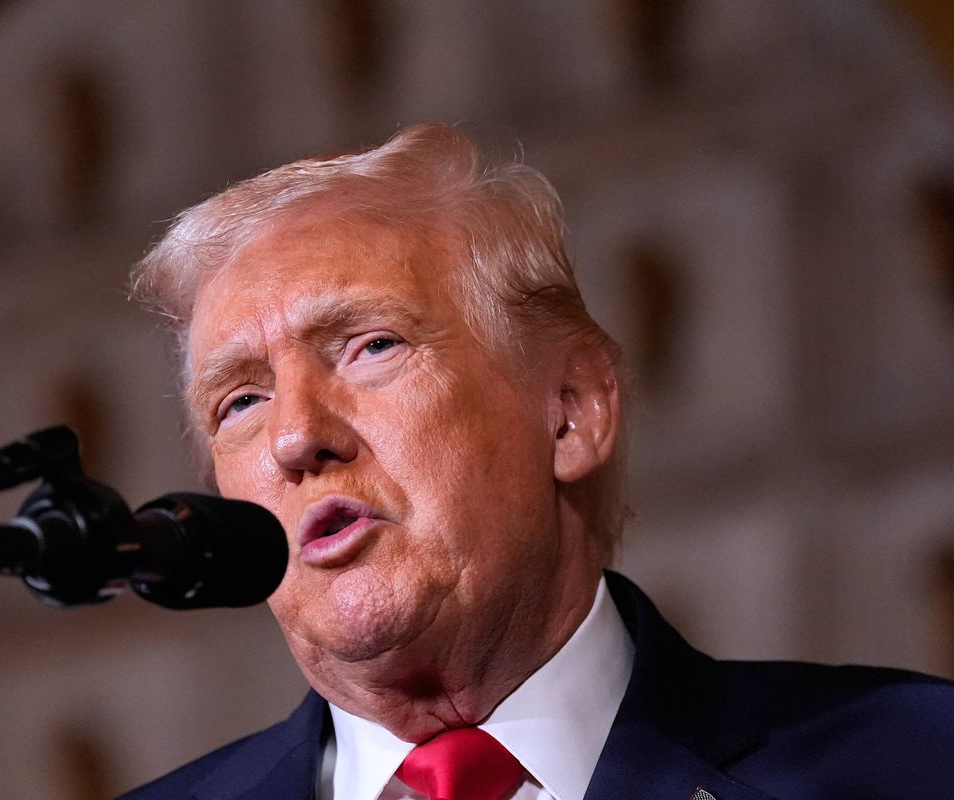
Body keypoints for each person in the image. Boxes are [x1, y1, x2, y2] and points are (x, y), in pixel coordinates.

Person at [120, 124, 953, 800]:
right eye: (241, 401)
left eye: (372, 346)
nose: (296, 437)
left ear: (571, 412)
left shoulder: (914, 765)